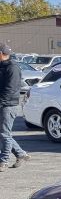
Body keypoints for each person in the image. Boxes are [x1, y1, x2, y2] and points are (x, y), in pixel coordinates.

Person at [0, 42, 30, 172]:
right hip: (3, 103)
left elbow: (10, 90)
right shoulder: (2, 66)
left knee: (4, 134)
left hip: (8, 105)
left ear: (1, 53)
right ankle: (21, 154)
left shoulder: (12, 68)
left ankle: (3, 161)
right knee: (3, 134)